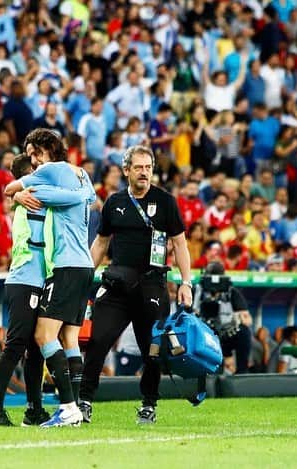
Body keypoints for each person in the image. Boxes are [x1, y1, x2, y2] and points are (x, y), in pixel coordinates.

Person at [79, 145, 193, 425]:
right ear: (126, 170)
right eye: (139, 167)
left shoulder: (166, 202)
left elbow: (179, 243)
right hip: (116, 285)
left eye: (148, 167)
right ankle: (83, 402)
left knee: (152, 350)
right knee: (97, 342)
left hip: (152, 286)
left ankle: (149, 404)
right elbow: (101, 243)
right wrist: (82, 278)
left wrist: (186, 282)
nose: (144, 173)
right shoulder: (114, 202)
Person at [0, 154, 92, 427]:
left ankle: (34, 409)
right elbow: (68, 199)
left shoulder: (33, 199)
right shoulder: (33, 199)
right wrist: (17, 195)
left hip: (40, 279)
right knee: (16, 346)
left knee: (35, 348)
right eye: (38, 171)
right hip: (25, 280)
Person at [4, 128, 96, 427]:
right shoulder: (82, 175)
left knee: (43, 336)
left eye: (34, 153)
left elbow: (11, 188)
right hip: (85, 265)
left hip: (66, 266)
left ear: (47, 149)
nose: (32, 160)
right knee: (69, 337)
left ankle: (68, 408)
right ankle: (80, 406)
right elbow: (86, 198)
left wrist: (19, 194)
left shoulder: (51, 170)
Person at [195, 261, 252, 374]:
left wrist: (239, 319)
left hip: (227, 332)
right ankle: (209, 373)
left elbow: (248, 319)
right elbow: (191, 312)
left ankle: (242, 373)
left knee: (244, 332)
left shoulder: (230, 292)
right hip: (206, 334)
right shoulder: (198, 290)